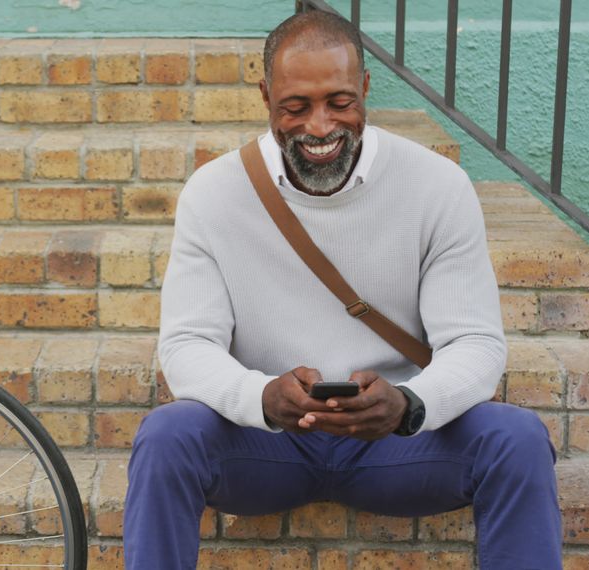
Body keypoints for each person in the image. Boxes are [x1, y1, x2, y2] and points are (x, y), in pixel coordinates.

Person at [123, 10, 562, 570]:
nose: (321, 126)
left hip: (397, 443)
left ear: (365, 90)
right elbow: (186, 346)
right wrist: (261, 398)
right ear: (265, 97)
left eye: (340, 101)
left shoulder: (437, 186)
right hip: (267, 442)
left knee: (517, 438)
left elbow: (476, 342)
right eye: (296, 106)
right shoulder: (213, 194)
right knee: (167, 435)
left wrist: (409, 405)